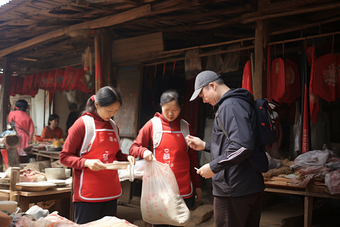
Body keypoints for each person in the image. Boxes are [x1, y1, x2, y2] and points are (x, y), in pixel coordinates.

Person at [185, 70, 265, 227]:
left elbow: (242, 145)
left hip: (235, 189)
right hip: (245, 185)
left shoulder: (230, 105)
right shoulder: (237, 103)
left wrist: (213, 167)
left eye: (202, 95)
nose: (203, 101)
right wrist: (205, 146)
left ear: (212, 86)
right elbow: (235, 143)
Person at [59, 86, 135, 224]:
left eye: (116, 111)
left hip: (110, 192)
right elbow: (64, 157)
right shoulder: (82, 124)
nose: (112, 114)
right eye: (109, 110)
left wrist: (126, 157)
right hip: (88, 194)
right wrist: (86, 163)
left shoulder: (113, 125)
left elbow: (115, 153)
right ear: (97, 105)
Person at [130, 90, 202, 216]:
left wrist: (198, 185)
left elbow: (192, 157)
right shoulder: (152, 125)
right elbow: (134, 147)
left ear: (181, 107)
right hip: (159, 189)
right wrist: (143, 151)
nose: (170, 113)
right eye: (166, 109)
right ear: (160, 106)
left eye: (174, 110)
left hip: (184, 189)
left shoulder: (186, 127)